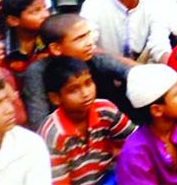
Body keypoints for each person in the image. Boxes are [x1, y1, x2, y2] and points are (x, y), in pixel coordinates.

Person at [21, 14, 130, 131]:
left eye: (88, 35)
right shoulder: (37, 72)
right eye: (80, 38)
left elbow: (132, 75)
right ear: (56, 48)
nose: (89, 43)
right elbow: (39, 122)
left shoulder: (93, 58)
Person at [38, 56, 136, 185]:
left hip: (107, 178)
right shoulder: (53, 134)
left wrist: (122, 152)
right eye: (73, 90)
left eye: (88, 83)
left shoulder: (105, 110)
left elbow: (136, 143)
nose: (85, 93)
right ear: (55, 98)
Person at [0, 0, 50, 78]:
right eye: (36, 11)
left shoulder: (51, 36)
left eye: (45, 8)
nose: (46, 14)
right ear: (13, 20)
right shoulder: (1, 49)